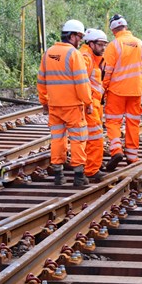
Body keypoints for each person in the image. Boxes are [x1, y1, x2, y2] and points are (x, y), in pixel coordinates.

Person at [37, 19, 93, 186]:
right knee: (78, 138)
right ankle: (78, 176)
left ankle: (58, 175)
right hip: (73, 106)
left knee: (57, 139)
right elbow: (82, 82)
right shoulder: (74, 54)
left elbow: (41, 80)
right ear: (73, 36)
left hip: (54, 106)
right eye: (80, 37)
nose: (81, 40)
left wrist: (44, 102)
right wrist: (88, 102)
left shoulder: (48, 53)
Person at [102, 14, 142, 171]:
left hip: (117, 91)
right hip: (135, 91)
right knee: (133, 123)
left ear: (113, 30)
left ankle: (116, 150)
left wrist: (103, 90)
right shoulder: (139, 43)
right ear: (126, 27)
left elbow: (107, 71)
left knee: (113, 121)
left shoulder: (114, 45)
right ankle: (132, 157)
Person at [79, 28, 109, 181]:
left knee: (90, 138)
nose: (103, 48)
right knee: (95, 138)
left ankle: (89, 165)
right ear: (90, 43)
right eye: (100, 44)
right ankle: (91, 170)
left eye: (105, 44)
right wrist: (89, 102)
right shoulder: (86, 58)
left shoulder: (93, 58)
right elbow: (81, 81)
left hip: (94, 104)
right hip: (89, 106)